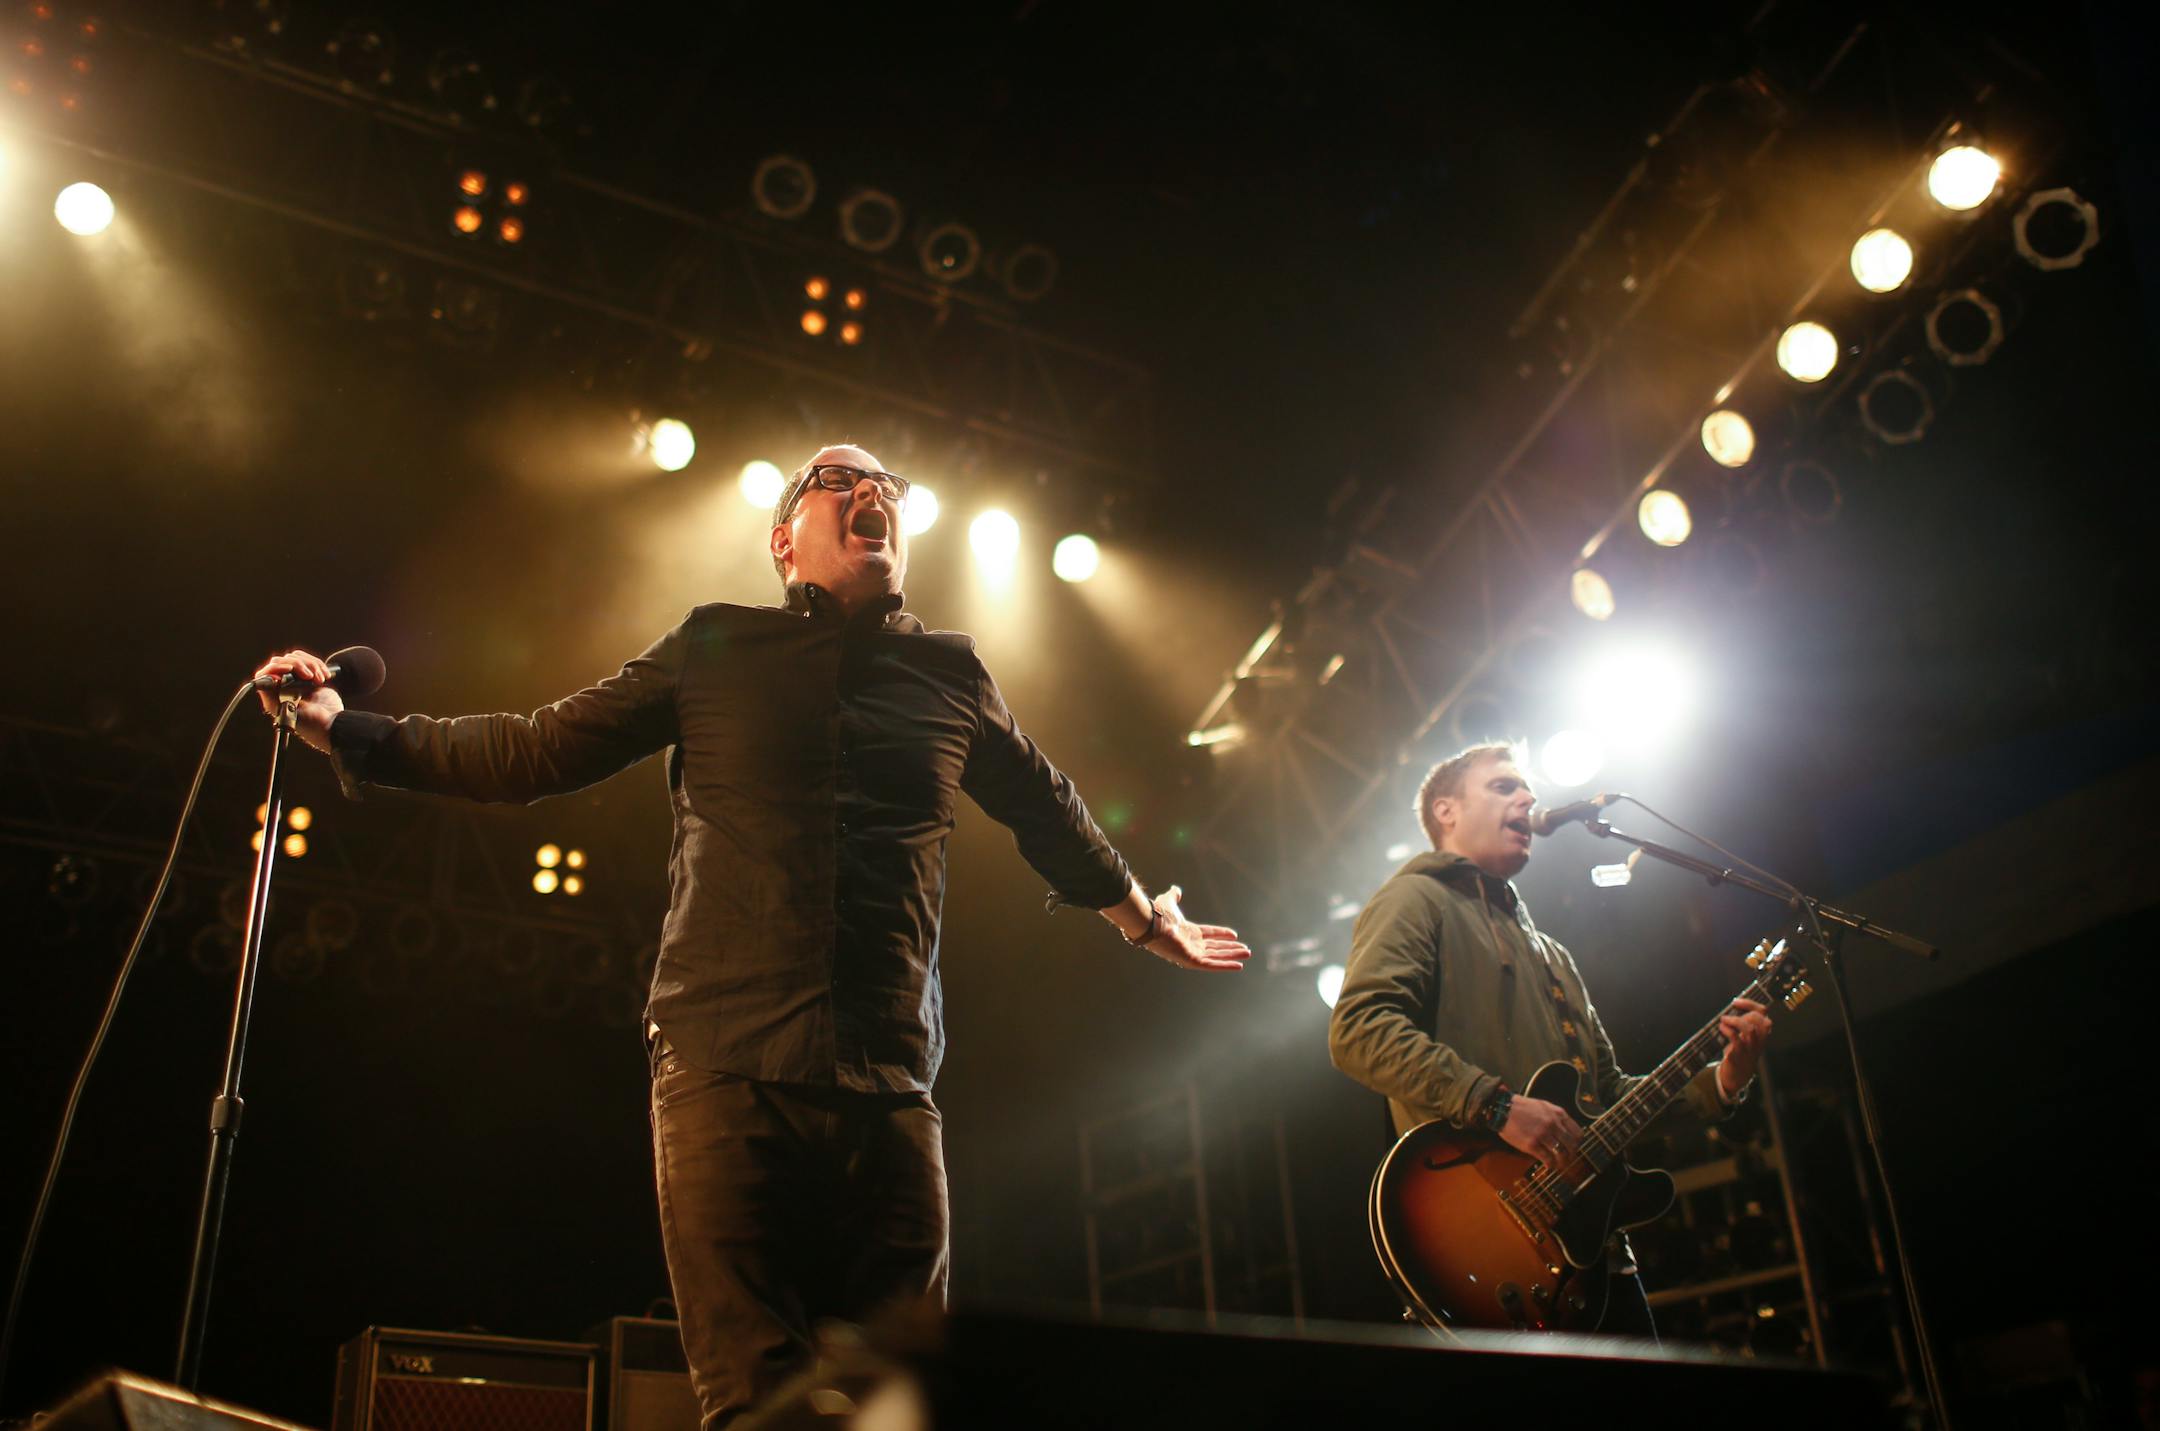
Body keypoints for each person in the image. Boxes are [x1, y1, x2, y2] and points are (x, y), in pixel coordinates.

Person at [254, 445, 1250, 1426]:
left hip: (892, 1088)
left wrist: (1139, 917)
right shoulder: (713, 645)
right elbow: (533, 750)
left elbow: (1048, 807)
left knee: (900, 1406)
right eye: (839, 481)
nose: (873, 493)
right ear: (784, 541)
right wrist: (348, 730)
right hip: (726, 1066)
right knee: (755, 1397)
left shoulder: (950, 674)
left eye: (887, 488)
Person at [1325, 742, 1769, 1338]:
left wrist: (1725, 1079)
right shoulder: (1415, 899)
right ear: (1447, 811)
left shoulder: (1552, 954)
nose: (1528, 798)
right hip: (1493, 1239)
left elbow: (1608, 1098)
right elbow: (1358, 1028)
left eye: (1526, 789)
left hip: (1597, 1259)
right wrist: (1497, 1106)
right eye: (1504, 786)